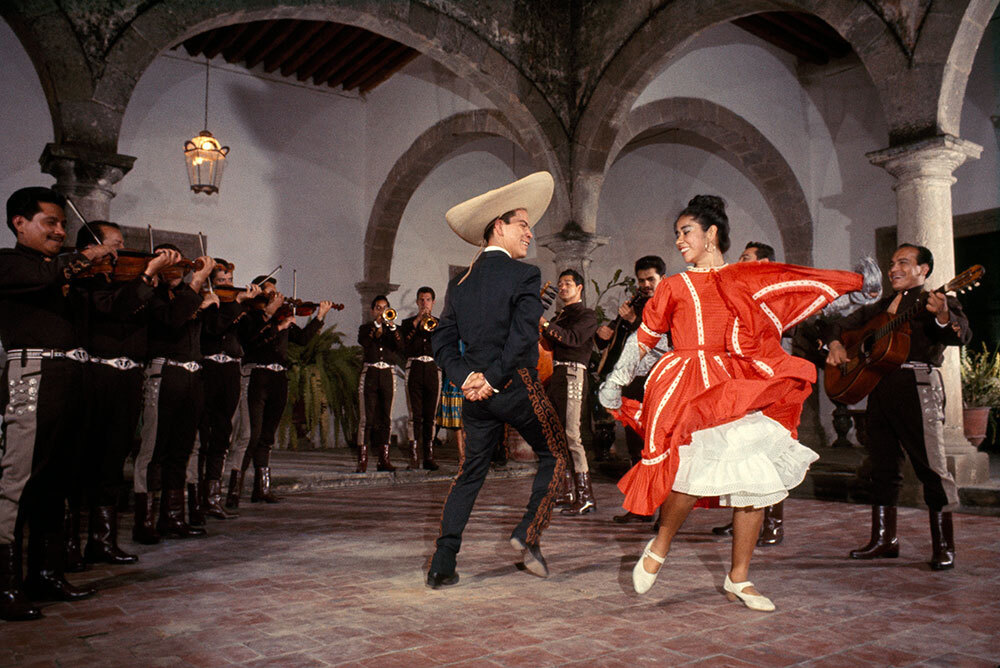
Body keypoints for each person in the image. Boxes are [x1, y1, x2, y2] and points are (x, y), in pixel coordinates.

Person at [600, 195, 868, 611]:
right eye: (676, 234)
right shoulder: (673, 285)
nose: (679, 241)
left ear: (711, 234)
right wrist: (616, 379)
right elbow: (644, 338)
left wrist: (852, 291)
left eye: (686, 231)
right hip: (688, 384)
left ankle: (738, 578)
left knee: (755, 479)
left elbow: (789, 294)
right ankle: (660, 545)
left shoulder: (745, 277)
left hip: (737, 383)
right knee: (690, 471)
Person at [426, 171, 569, 589]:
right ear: (499, 226)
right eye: (523, 224)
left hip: (476, 394)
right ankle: (527, 533)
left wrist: (466, 378)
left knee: (469, 473)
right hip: (515, 385)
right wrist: (489, 378)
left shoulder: (460, 283)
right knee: (557, 455)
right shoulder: (524, 276)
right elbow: (524, 338)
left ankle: (442, 563)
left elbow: (443, 340)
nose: (530, 232)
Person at [0, 187, 117, 621]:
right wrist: (82, 259)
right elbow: (46, 277)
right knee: (20, 476)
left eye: (62, 223)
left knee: (58, 478)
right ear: (19, 223)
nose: (60, 230)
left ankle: (45, 573)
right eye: (51, 222)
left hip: (71, 375)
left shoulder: (63, 273)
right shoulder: (9, 263)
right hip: (33, 373)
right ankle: (5, 583)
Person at [826, 244, 970, 570]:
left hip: (917, 387)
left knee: (931, 467)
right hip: (880, 388)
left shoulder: (936, 300)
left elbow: (962, 336)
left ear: (924, 270)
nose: (893, 269)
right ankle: (884, 540)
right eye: (892, 263)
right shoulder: (879, 306)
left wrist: (944, 315)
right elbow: (837, 324)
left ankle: (944, 545)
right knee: (882, 468)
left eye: (903, 263)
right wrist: (835, 343)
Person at [73, 222, 180, 564]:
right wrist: (146, 274)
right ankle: (69, 544)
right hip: (96, 373)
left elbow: (169, 319)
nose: (122, 253)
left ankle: (102, 540)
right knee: (85, 460)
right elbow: (113, 308)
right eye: (116, 245)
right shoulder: (88, 281)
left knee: (114, 459)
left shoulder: (136, 285)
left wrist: (176, 283)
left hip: (130, 377)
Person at [133, 243, 216, 542]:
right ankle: (145, 521)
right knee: (154, 448)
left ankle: (173, 516)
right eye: (162, 259)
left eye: (175, 260)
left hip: (193, 374)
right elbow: (170, 321)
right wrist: (194, 288)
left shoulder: (192, 296)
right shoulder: (152, 297)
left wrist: (209, 302)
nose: (170, 267)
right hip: (164, 371)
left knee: (182, 448)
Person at [712, 240, 787, 545]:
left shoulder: (776, 296)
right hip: (741, 380)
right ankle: (741, 516)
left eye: (746, 258)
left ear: (764, 264)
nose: (738, 263)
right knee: (741, 451)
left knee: (769, 454)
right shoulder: (741, 294)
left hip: (770, 381)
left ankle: (773, 523)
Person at [236, 278, 333, 501]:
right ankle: (235, 490)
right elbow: (252, 342)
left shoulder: (281, 317)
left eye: (277, 293)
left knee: (267, 436)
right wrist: (275, 323)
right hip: (257, 375)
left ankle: (262, 489)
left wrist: (319, 317)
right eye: (270, 294)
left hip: (278, 376)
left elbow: (302, 339)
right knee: (252, 434)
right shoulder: (250, 317)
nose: (277, 298)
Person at [595, 255, 666, 524]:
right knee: (635, 447)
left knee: (656, 449)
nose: (646, 285)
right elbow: (622, 344)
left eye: (651, 279)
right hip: (633, 383)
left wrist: (635, 319)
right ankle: (641, 508)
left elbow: (662, 341)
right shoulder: (638, 302)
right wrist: (608, 332)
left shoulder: (668, 304)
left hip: (657, 382)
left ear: (662, 278)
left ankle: (664, 514)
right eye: (641, 280)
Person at [196, 260, 260, 520]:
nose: (227, 286)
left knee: (223, 433)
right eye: (222, 281)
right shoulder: (206, 303)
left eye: (230, 280)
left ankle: (213, 497)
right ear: (211, 281)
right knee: (202, 434)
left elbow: (251, 338)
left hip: (231, 370)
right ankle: (196, 495)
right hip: (208, 370)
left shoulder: (236, 306)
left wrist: (249, 308)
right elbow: (213, 329)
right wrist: (234, 305)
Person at [540, 269, 598, 515]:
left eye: (568, 283)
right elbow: (550, 341)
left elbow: (572, 339)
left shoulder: (587, 315)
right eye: (560, 284)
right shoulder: (560, 316)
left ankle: (586, 497)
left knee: (572, 434)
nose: (562, 288)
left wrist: (544, 324)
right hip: (556, 375)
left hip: (574, 373)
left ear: (580, 288)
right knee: (557, 434)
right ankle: (568, 492)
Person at [357, 296, 403, 472]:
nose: (382, 311)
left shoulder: (394, 329)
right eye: (378, 308)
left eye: (385, 308)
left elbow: (400, 347)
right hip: (370, 373)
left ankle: (384, 459)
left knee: (386, 418)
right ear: (372, 310)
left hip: (387, 374)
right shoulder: (365, 328)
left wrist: (390, 327)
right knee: (366, 418)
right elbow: (365, 342)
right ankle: (363, 459)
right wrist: (376, 325)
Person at [400, 287, 441, 470]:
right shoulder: (408, 323)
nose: (425, 303)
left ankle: (429, 456)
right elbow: (404, 346)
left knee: (430, 416)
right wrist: (418, 321)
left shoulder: (438, 323)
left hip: (432, 368)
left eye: (428, 300)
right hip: (414, 367)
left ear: (433, 302)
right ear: (417, 302)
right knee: (414, 414)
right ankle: (414, 456)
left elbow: (442, 346)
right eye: (422, 300)